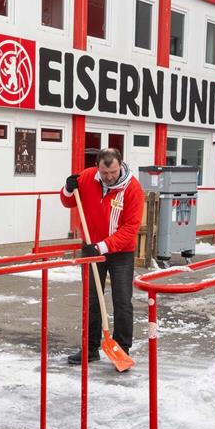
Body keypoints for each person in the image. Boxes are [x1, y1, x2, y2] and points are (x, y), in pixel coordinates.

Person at [60, 147, 144, 364]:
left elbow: (130, 229)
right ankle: (90, 348)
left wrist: (103, 247)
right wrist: (68, 189)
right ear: (98, 167)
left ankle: (122, 348)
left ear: (120, 166)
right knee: (92, 299)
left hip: (120, 252)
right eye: (104, 173)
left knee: (122, 300)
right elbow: (68, 201)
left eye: (113, 173)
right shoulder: (88, 177)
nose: (108, 177)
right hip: (90, 247)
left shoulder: (132, 189)